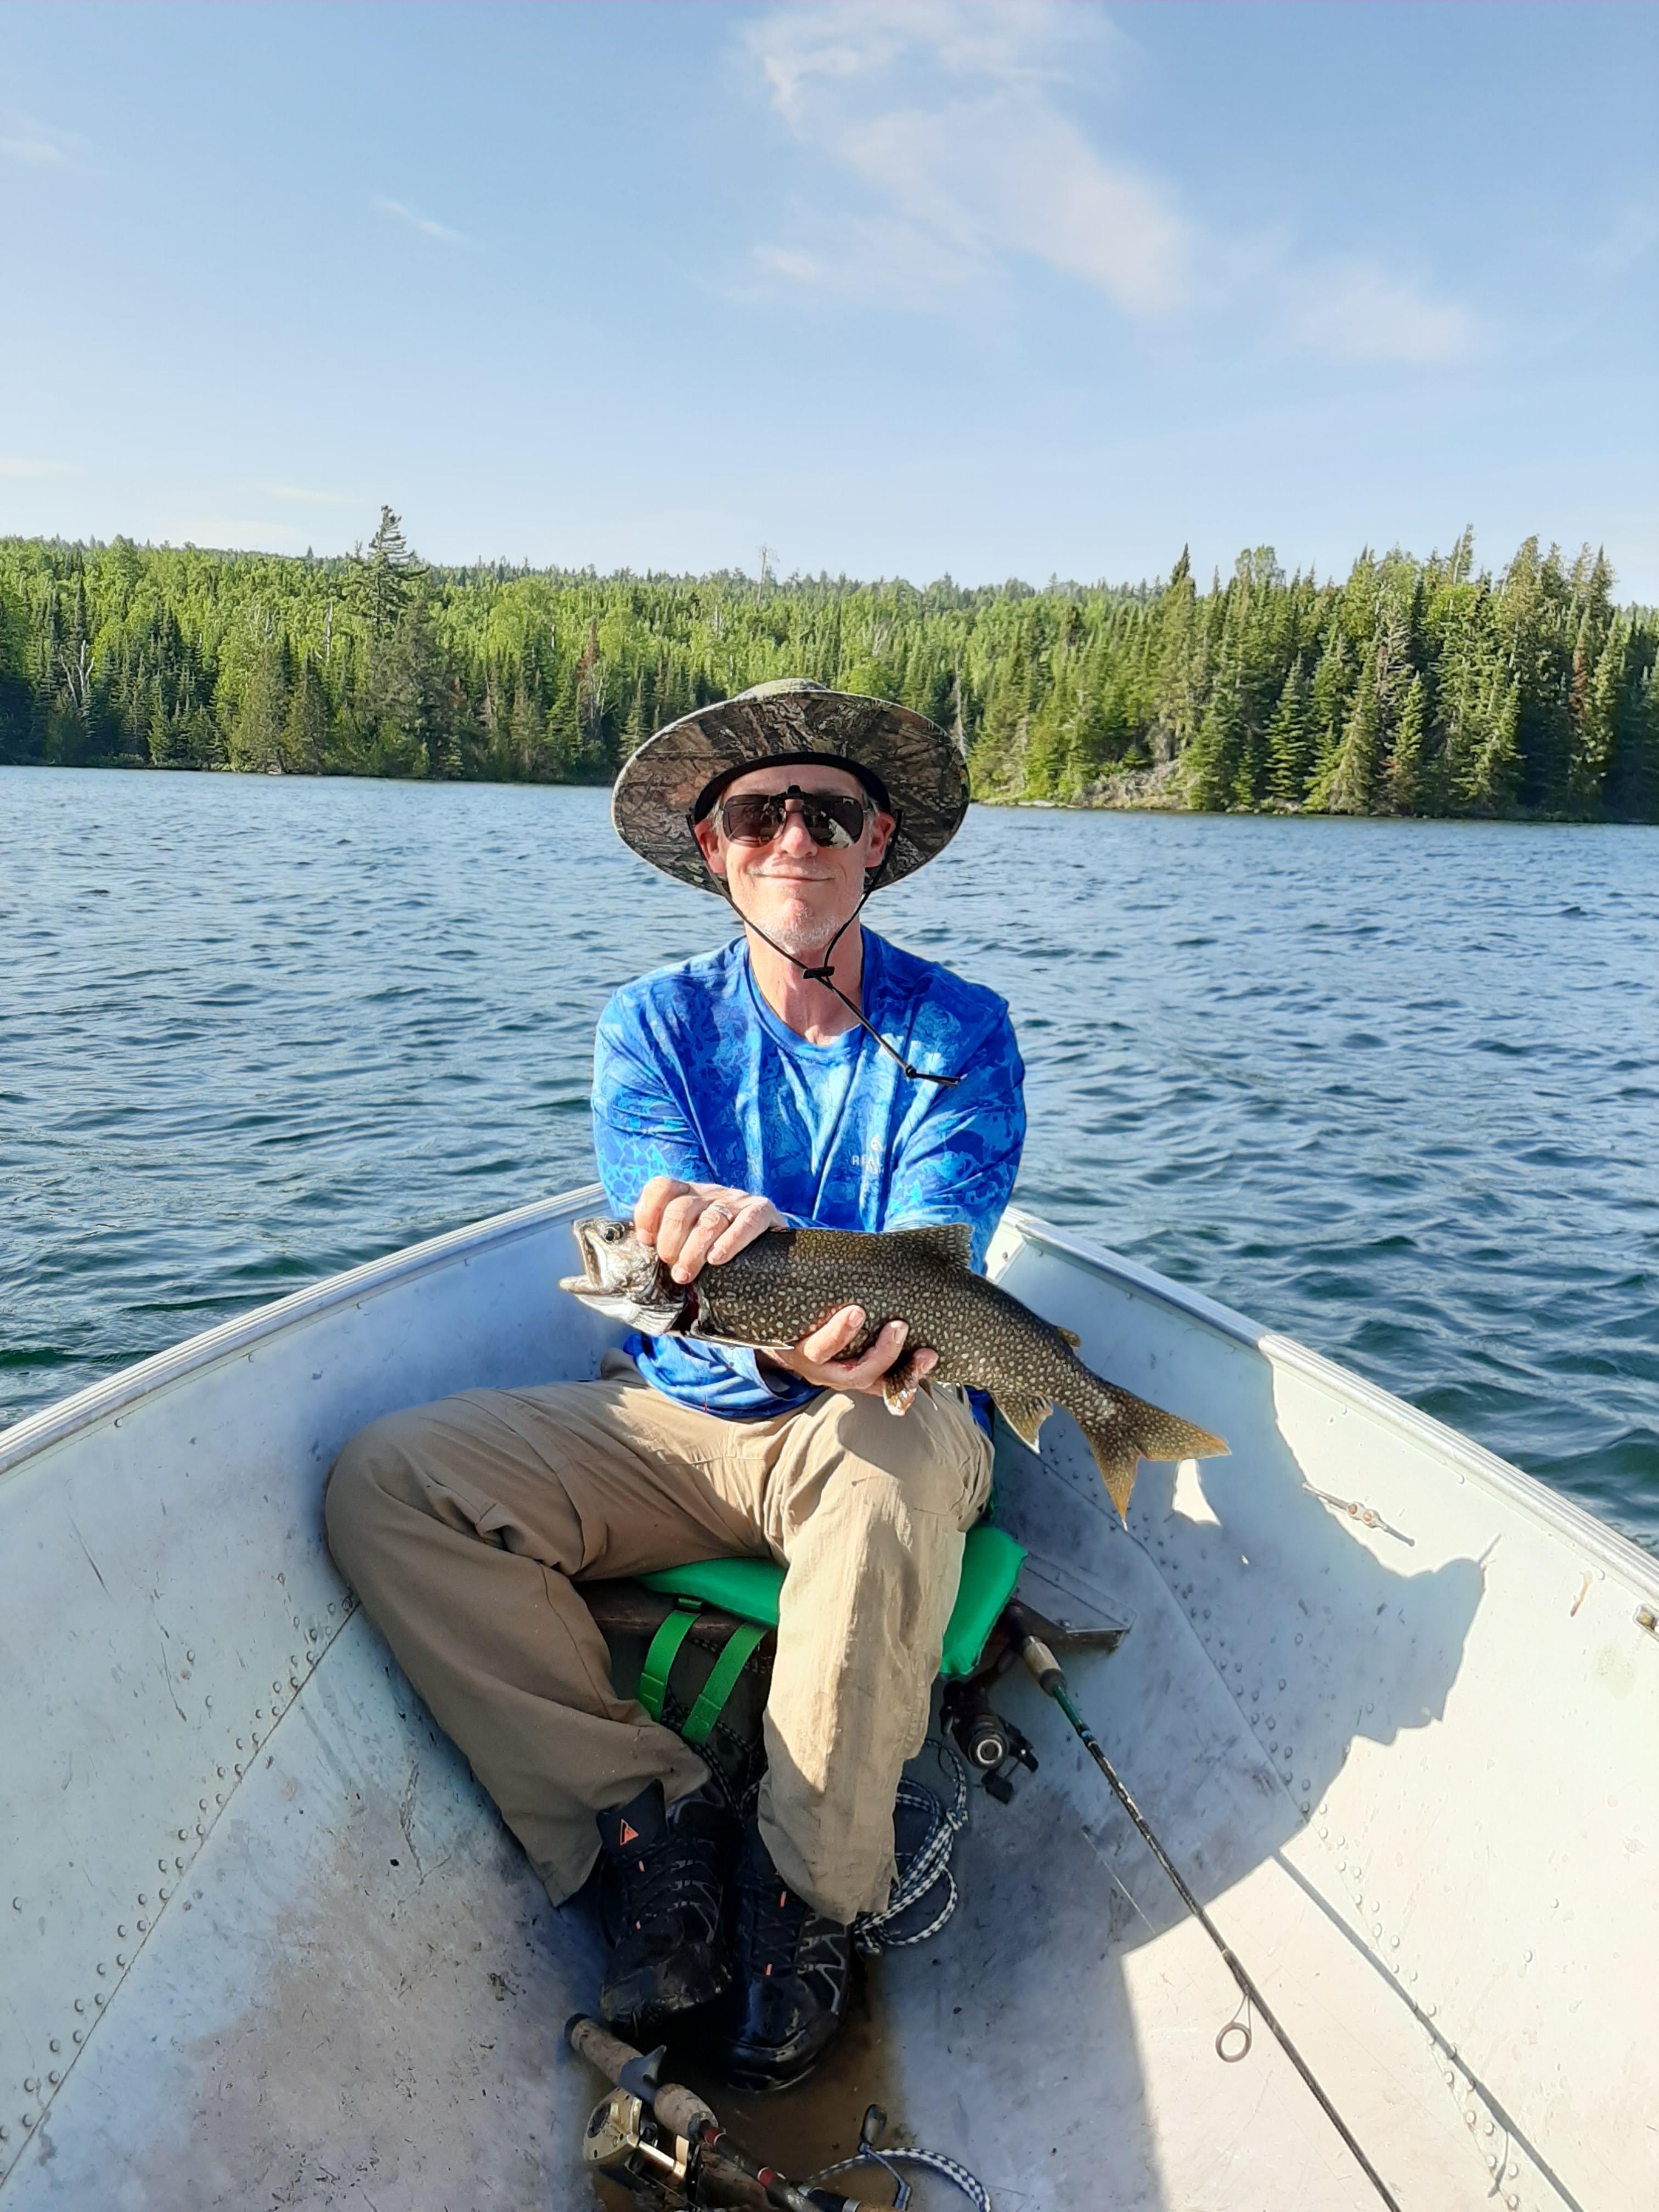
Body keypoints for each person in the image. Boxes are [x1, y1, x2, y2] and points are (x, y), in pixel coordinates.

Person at [324, 679, 1025, 2092]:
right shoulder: (648, 1025)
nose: (795, 837)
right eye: (760, 813)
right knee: (386, 1484)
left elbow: (942, 1254)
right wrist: (718, 1266)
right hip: (676, 1416)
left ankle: (809, 1896)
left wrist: (841, 1354)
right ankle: (646, 1819)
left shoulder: (962, 1033)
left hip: (881, 1408)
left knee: (881, 1464)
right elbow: (649, 1205)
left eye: (828, 811)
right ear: (714, 846)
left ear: (876, 840)